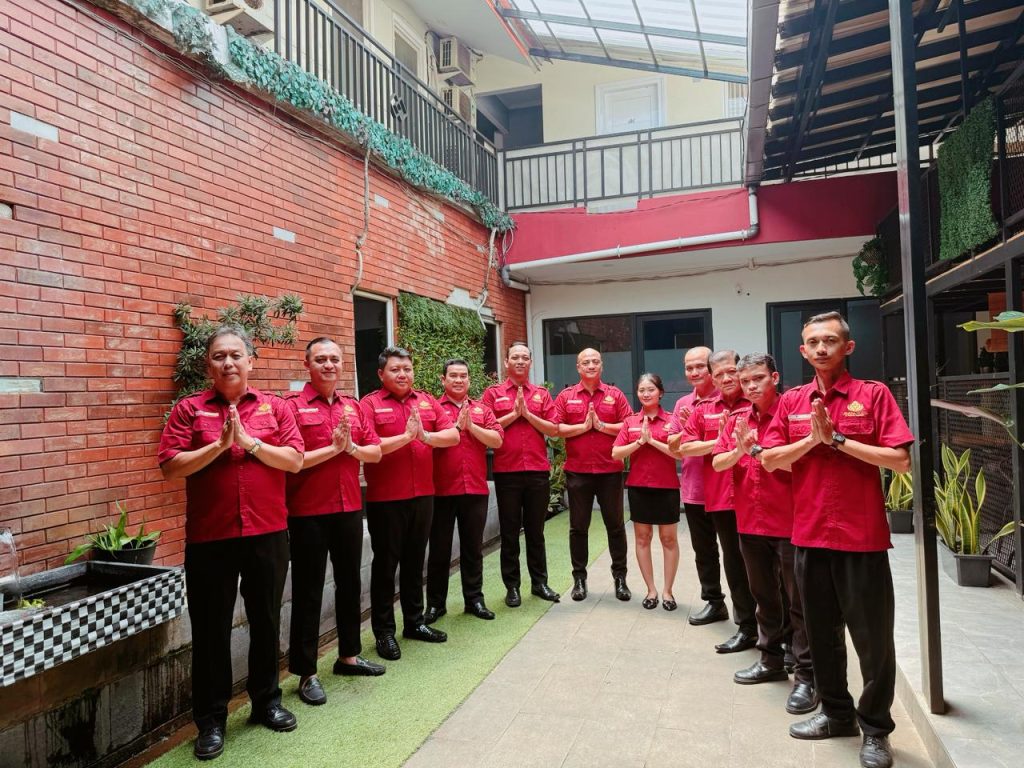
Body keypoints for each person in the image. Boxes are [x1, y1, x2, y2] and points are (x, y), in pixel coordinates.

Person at [762, 312, 912, 768]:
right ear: (803, 351)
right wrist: (814, 440)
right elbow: (770, 459)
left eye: (830, 340)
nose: (821, 348)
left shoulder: (873, 395)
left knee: (873, 641)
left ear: (848, 347)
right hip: (809, 537)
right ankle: (836, 715)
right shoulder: (793, 401)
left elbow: (899, 459)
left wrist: (838, 440)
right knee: (821, 636)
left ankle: (876, 730)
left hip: (862, 538)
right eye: (813, 342)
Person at [158, 325, 303, 761]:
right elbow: (170, 466)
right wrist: (219, 446)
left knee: (266, 621)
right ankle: (211, 721)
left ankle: (267, 702)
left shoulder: (276, 407)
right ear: (208, 364)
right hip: (211, 538)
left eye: (236, 355)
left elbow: (294, 459)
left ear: (251, 361)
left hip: (267, 533)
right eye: (219, 356)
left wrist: (249, 443)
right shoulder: (189, 409)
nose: (228, 363)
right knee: (210, 631)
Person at [711, 353, 816, 715]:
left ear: (775, 377)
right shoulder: (737, 419)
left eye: (758, 378)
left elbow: (799, 463)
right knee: (764, 597)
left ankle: (807, 675)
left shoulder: (791, 414)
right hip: (750, 522)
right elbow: (718, 462)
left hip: (789, 524)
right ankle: (770, 660)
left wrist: (759, 451)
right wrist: (739, 450)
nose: (751, 386)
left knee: (798, 602)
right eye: (746, 381)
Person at [283, 337, 385, 708]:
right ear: (307, 365)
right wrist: (335, 449)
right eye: (321, 359)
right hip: (307, 511)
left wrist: (351, 448)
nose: (329, 365)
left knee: (350, 582)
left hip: (349, 507)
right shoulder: (291, 407)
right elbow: (293, 459)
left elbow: (375, 452)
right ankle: (306, 672)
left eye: (335, 359)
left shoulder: (353, 407)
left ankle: (349, 656)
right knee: (309, 590)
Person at [359, 346, 459, 661]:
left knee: (415, 562)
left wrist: (425, 437)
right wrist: (406, 437)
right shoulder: (369, 404)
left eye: (407, 369)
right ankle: (384, 632)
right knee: (386, 566)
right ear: (381, 374)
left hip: (423, 495)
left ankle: (414, 622)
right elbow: (369, 446)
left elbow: (453, 435)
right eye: (395, 369)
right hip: (386, 499)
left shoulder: (426, 400)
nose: (402, 374)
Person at [671, 350, 757, 653]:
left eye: (730, 371)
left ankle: (778, 636)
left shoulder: (756, 402)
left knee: (765, 566)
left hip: (756, 497)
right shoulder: (701, 408)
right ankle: (746, 626)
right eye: (719, 374)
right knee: (730, 561)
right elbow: (682, 446)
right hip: (718, 495)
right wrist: (721, 441)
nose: (725, 378)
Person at [425, 359, 504, 623]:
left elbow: (497, 440)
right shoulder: (433, 409)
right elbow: (426, 442)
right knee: (439, 550)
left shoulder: (481, 409)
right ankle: (435, 604)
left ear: (469, 379)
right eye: (453, 376)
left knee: (473, 548)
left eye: (463, 376)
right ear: (443, 379)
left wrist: (471, 426)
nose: (459, 380)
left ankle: (474, 600)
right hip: (441, 491)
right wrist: (456, 428)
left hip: (475, 489)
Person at [482, 342, 561, 607]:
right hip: (507, 473)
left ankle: (539, 583)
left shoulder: (541, 394)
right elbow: (485, 427)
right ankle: (512, 587)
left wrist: (528, 415)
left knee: (536, 531)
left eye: (524, 358)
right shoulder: (493, 394)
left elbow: (553, 429)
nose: (519, 361)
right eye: (515, 357)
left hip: (537, 472)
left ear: (530, 362)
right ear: (506, 362)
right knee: (509, 532)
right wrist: (514, 415)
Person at [554, 348, 632, 602]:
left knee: (616, 526)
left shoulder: (615, 395)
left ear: (602, 365)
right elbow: (556, 428)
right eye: (585, 362)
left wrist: (601, 426)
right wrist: (583, 427)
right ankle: (579, 579)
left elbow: (628, 425)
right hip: (578, 472)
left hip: (610, 471)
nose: (590, 365)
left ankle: (620, 578)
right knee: (578, 527)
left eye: (595, 361)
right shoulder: (566, 396)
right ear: (578, 367)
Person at [668, 346, 729, 626]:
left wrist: (693, 441)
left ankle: (750, 611)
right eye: (688, 367)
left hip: (727, 491)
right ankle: (714, 602)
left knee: (737, 555)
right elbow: (674, 448)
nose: (693, 372)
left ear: (712, 368)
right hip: (694, 490)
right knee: (704, 552)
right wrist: (686, 433)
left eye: (700, 366)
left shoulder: (727, 398)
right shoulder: (683, 404)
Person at [611, 374, 681, 610]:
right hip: (639, 487)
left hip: (667, 487)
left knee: (668, 539)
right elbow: (616, 453)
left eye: (651, 389)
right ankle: (651, 590)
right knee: (643, 539)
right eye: (641, 390)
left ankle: (668, 591)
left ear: (660, 393)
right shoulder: (631, 422)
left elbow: (680, 454)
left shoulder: (672, 420)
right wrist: (639, 442)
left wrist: (652, 441)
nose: (646, 394)